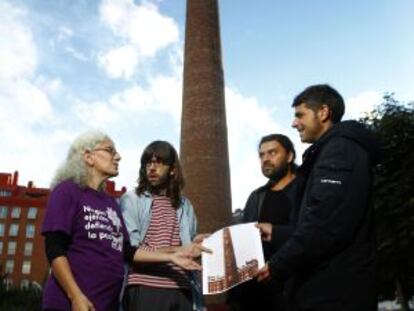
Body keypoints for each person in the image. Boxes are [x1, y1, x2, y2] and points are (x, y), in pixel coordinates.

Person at [42, 131, 200, 311]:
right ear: (88, 157)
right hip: (72, 304)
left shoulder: (111, 202)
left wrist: (174, 254)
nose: (118, 156)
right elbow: (54, 248)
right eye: (110, 150)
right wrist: (75, 295)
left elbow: (129, 252)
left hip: (108, 303)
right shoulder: (67, 191)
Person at [256, 84, 380, 311]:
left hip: (335, 293)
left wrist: (277, 265)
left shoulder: (339, 150)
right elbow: (326, 219)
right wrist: (276, 232)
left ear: (323, 113)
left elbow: (325, 225)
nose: (294, 123)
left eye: (300, 115)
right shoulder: (328, 153)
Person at [120, 140, 206, 311]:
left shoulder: (185, 205)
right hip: (146, 286)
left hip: (184, 288)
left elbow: (187, 248)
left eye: (158, 162)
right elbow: (132, 252)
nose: (151, 168)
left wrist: (199, 243)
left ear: (173, 169)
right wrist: (177, 251)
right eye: (148, 163)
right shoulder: (132, 200)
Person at [228, 134, 297, 311]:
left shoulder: (305, 189)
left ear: (289, 156)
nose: (265, 159)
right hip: (256, 295)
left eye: (272, 153)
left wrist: (275, 232)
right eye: (262, 155)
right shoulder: (256, 197)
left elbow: (314, 233)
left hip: (293, 290)